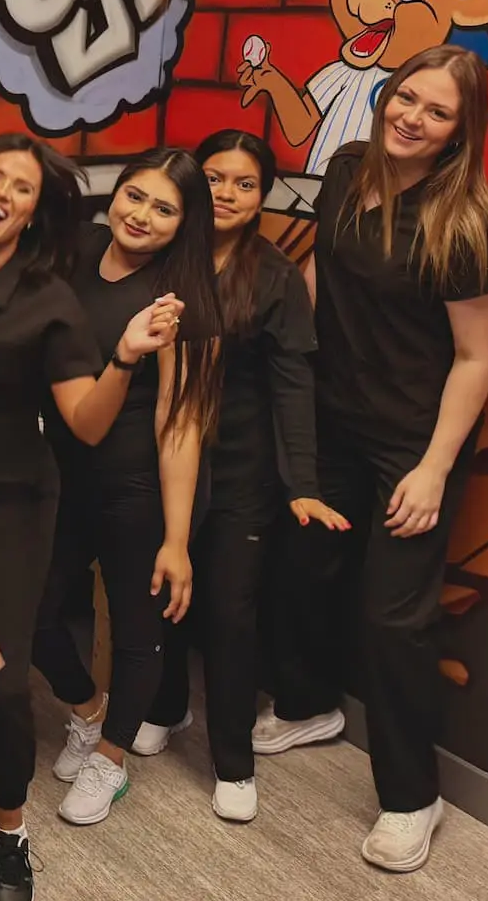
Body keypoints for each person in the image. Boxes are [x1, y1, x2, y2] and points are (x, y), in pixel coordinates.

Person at [0, 134, 181, 901]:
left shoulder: (47, 298)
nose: (1, 194)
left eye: (20, 189)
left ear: (33, 211)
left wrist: (122, 357)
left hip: (11, 503)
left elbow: (86, 424)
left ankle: (10, 833)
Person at [259, 46, 488, 872]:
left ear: (459, 132)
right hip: (333, 417)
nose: (413, 117)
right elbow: (327, 280)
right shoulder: (347, 169)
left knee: (392, 619)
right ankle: (306, 705)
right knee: (303, 561)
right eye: (407, 97)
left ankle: (412, 796)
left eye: (437, 112)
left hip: (413, 438)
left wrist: (435, 467)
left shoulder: (467, 225)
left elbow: (476, 359)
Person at [137, 133, 347, 823]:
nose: (226, 194)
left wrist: (303, 482)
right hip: (159, 455)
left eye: (244, 184)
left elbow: (294, 383)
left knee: (229, 611)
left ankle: (233, 759)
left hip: (242, 471)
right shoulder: (160, 250)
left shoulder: (275, 275)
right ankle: (165, 707)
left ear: (263, 197)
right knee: (160, 591)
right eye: (214, 178)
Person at [33, 148, 222, 828]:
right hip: (62, 474)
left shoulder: (181, 301)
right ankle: (88, 713)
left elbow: (181, 426)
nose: (140, 215)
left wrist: (176, 539)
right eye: (134, 196)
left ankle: (111, 761)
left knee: (140, 635)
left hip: (137, 486)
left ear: (185, 223)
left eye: (163, 208)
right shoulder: (80, 249)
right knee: (34, 614)